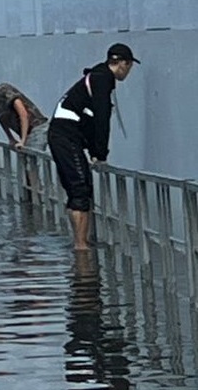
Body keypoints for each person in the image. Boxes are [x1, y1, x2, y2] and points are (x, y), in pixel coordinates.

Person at [48, 43, 140, 250]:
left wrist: (93, 150)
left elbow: (90, 120)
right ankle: (80, 246)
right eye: (129, 67)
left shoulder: (97, 76)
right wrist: (100, 153)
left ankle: (81, 242)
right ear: (123, 64)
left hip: (64, 135)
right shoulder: (102, 80)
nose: (128, 72)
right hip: (65, 136)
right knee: (80, 188)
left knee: (81, 187)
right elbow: (101, 120)